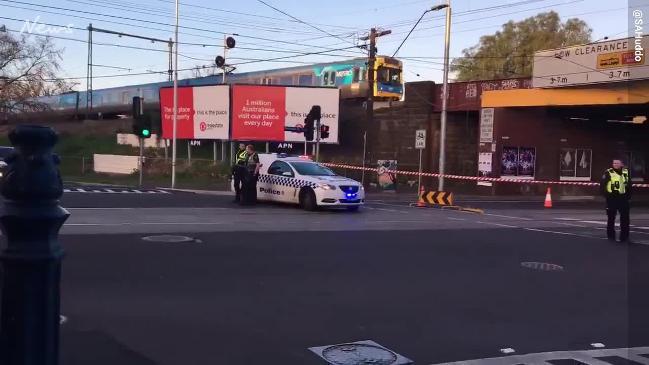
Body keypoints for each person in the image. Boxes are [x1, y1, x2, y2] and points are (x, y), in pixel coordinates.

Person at [600, 159, 632, 243]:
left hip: (623, 198)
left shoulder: (626, 172)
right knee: (611, 218)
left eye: (617, 163)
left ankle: (624, 237)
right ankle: (611, 236)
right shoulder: (608, 172)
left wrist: (628, 196)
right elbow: (602, 185)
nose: (615, 164)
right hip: (612, 198)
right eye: (614, 163)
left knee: (625, 218)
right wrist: (607, 196)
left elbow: (629, 184)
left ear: (621, 164)